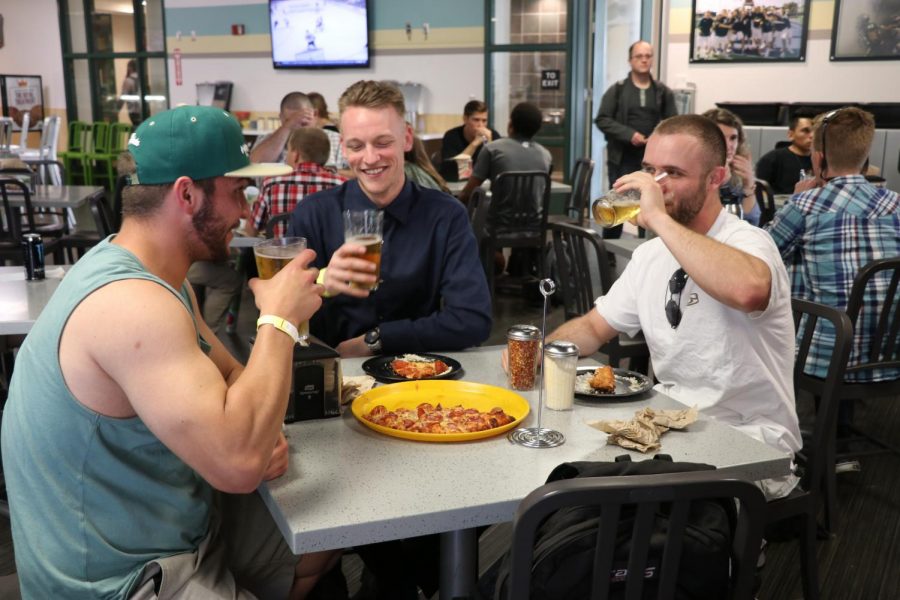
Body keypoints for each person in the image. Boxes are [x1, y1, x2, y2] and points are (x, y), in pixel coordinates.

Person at [0, 105, 340, 597]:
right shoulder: (132, 304)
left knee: (324, 540)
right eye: (238, 192)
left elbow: (232, 380)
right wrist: (279, 320)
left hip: (179, 527)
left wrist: (253, 431)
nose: (246, 211)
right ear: (187, 193)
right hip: (121, 583)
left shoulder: (154, 274)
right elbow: (240, 463)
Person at [510, 114, 802, 500]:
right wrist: (540, 352)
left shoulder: (748, 241)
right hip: (669, 425)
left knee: (607, 504)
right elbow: (595, 328)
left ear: (716, 178)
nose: (655, 184)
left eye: (673, 173)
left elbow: (749, 290)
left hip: (750, 439)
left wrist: (658, 219)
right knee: (556, 473)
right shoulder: (651, 255)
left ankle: (726, 552)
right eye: (649, 170)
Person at [288, 80, 491, 358]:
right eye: (356, 146)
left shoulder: (446, 215)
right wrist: (321, 285)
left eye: (383, 143)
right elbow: (282, 317)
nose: (370, 158)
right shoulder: (313, 213)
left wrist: (376, 340)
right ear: (344, 149)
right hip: (331, 376)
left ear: (407, 138)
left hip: (414, 377)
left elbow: (473, 320)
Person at [766, 106, 900, 384]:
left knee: (794, 267)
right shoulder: (896, 205)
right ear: (865, 159)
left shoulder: (806, 205)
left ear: (818, 158)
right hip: (890, 354)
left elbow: (764, 255)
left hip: (823, 358)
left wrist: (795, 199)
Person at [593, 41, 677, 239]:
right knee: (618, 204)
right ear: (630, 60)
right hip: (622, 158)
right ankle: (607, 252)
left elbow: (674, 123)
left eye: (648, 56)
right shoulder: (618, 90)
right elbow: (602, 119)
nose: (644, 60)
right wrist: (629, 135)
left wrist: (656, 139)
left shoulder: (662, 92)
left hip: (653, 163)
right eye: (639, 56)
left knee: (649, 205)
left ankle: (646, 250)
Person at [249, 126, 345, 238]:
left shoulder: (271, 183)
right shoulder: (342, 185)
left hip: (283, 254)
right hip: (329, 255)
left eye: (288, 151)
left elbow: (252, 230)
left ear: (296, 155)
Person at [458, 101, 552, 205]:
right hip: (535, 220)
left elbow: (468, 193)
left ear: (510, 125)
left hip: (497, 220)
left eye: (484, 120)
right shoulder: (546, 155)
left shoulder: (493, 149)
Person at [250, 91, 349, 175]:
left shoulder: (336, 139)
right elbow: (254, 165)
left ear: (314, 114)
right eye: (289, 121)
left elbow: (357, 174)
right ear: (281, 117)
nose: (296, 129)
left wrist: (328, 172)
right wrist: (287, 127)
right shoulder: (266, 139)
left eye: (303, 123)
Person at [702, 107, 760, 225]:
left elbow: (752, 223)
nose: (729, 145)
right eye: (721, 137)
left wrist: (748, 185)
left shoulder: (739, 170)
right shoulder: (690, 168)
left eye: (733, 138)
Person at [755, 112, 814, 194]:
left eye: (816, 131)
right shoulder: (771, 160)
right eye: (805, 131)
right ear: (791, 134)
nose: (812, 135)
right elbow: (759, 192)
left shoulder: (823, 160)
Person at [440, 99, 502, 165]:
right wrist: (475, 143)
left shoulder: (493, 135)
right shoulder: (451, 136)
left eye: (484, 121)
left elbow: (498, 166)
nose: (481, 125)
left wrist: (489, 143)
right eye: (476, 120)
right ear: (465, 119)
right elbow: (451, 168)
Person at [119, 59, 142, 126]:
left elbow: (124, 96)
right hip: (143, 109)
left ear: (130, 68)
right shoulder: (142, 78)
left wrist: (117, 109)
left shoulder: (128, 80)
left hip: (133, 110)